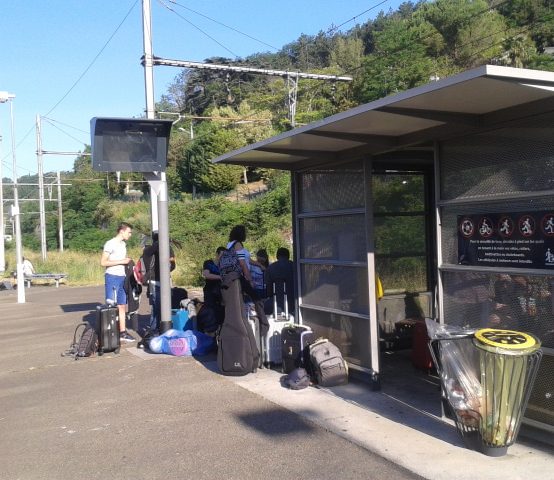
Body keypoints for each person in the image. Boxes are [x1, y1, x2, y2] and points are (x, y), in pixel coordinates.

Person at [227, 225, 268, 337]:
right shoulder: (238, 245)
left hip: (234, 277)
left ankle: (246, 320)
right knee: (257, 299)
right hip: (241, 276)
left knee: (243, 300)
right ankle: (264, 326)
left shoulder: (230, 245)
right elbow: (243, 263)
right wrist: (249, 279)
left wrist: (259, 265)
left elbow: (248, 260)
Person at [100, 222, 135, 343]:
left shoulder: (123, 244)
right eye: (129, 232)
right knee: (111, 305)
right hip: (112, 277)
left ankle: (123, 332)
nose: (130, 235)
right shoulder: (110, 243)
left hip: (122, 277)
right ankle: (110, 334)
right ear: (122, 231)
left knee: (122, 305)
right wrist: (122, 261)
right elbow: (103, 262)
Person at [141, 231, 176, 333]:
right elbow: (173, 265)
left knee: (156, 308)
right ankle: (157, 330)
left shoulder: (147, 250)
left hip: (154, 281)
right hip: (161, 281)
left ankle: (154, 331)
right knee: (162, 307)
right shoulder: (167, 249)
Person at [266, 247, 295, 315]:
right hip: (294, 302)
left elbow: (269, 289)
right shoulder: (295, 266)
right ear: (288, 256)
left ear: (277, 256)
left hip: (276, 303)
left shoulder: (271, 268)